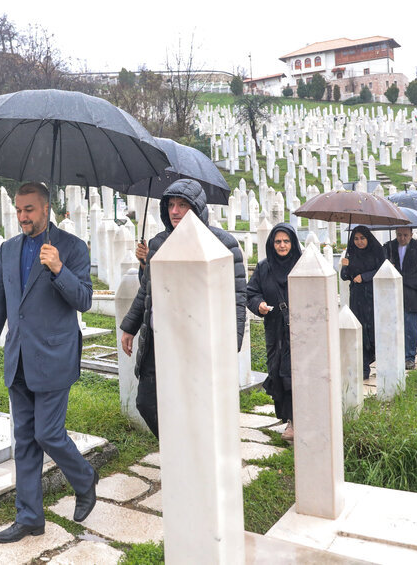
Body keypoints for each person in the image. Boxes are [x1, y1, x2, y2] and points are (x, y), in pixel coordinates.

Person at [0, 182, 97, 544]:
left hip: (55, 357)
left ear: (46, 209)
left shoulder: (72, 248)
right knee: (25, 441)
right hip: (18, 359)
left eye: (29, 209)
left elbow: (85, 300)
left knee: (48, 433)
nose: (22, 216)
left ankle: (84, 477)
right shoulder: (8, 250)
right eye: (18, 209)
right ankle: (29, 517)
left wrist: (59, 268)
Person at [119, 178, 247, 439]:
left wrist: (230, 344)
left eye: (183, 205)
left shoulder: (223, 243)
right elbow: (148, 289)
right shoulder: (158, 243)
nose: (175, 211)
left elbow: (236, 297)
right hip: (158, 338)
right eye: (171, 205)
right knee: (146, 402)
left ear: (198, 208)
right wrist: (129, 326)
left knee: (194, 402)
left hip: (197, 340)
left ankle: (193, 457)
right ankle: (176, 449)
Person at [246, 223, 302, 441]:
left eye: (286, 241)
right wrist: (258, 304)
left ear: (292, 243)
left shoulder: (301, 265)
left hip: (299, 330)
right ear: (271, 243)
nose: (282, 245)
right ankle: (286, 416)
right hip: (275, 329)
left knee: (293, 373)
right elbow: (251, 294)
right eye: (278, 241)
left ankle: (293, 422)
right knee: (278, 372)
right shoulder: (263, 268)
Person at [384, 227, 417, 370]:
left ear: (412, 235)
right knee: (393, 325)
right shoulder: (389, 247)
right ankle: (395, 355)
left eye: (405, 235)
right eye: (399, 235)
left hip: (413, 292)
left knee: (410, 327)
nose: (402, 238)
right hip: (393, 292)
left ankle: (409, 357)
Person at [339, 226, 383, 379]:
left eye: (362, 238)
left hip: (373, 296)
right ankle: (363, 368)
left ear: (368, 238)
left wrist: (364, 277)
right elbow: (344, 277)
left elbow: (382, 269)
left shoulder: (376, 251)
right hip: (357, 298)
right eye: (356, 239)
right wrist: (345, 266)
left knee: (373, 331)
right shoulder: (351, 253)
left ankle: (375, 358)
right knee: (360, 331)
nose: (359, 242)